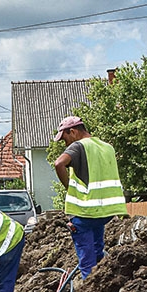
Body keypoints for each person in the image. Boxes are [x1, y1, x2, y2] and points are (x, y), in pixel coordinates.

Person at [52, 115, 128, 278]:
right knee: (98, 254)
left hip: (85, 212)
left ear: (72, 131)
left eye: (65, 139)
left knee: (87, 263)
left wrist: (68, 187)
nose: (66, 144)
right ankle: (104, 287)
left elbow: (59, 163)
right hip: (106, 212)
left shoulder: (79, 146)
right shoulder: (107, 147)